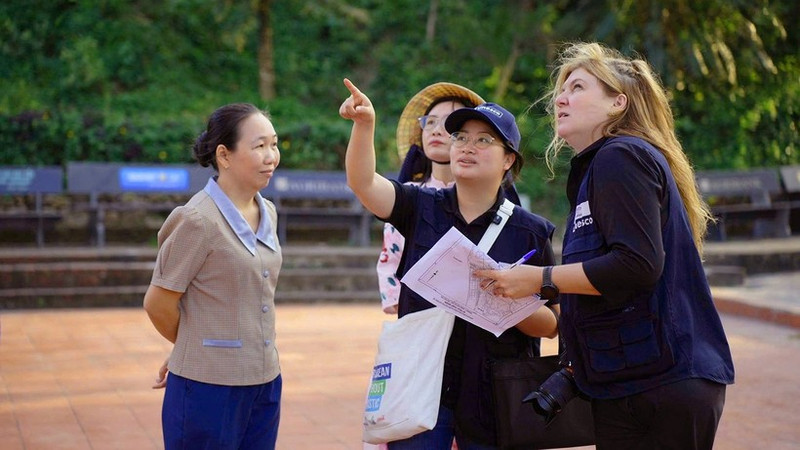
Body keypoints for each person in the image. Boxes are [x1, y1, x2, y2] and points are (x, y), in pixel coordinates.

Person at [475, 42, 735, 449]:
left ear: (618, 103)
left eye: (577, 87)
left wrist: (541, 279)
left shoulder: (621, 156)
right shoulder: (600, 168)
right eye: (561, 90)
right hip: (632, 380)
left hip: (661, 382)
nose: (560, 98)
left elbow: (637, 265)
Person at [340, 78, 559, 450]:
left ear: (509, 160)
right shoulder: (418, 206)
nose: (467, 147)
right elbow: (363, 183)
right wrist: (364, 127)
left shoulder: (531, 232)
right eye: (461, 138)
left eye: (483, 140)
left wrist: (506, 296)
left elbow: (552, 325)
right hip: (421, 384)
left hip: (496, 394)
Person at [143, 103, 284, 449]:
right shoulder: (197, 221)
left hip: (265, 381)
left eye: (275, 144)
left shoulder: (267, 211)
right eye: (259, 146)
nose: (271, 156)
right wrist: (193, 346)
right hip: (209, 387)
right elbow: (158, 303)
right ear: (224, 155)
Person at [378, 82, 521, 314]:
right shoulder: (407, 196)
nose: (436, 130)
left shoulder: (490, 199)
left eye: (447, 124)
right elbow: (392, 254)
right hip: (421, 315)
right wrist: (400, 300)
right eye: (430, 122)